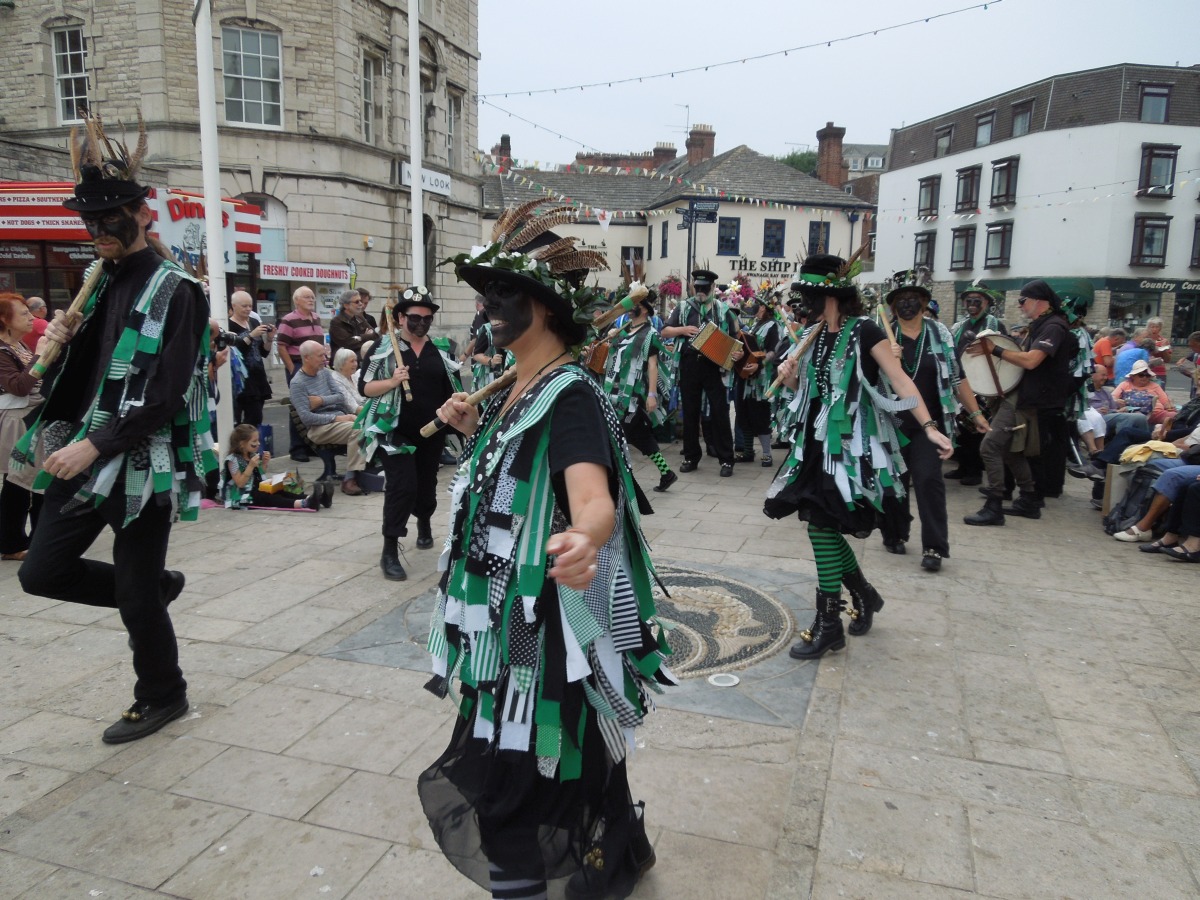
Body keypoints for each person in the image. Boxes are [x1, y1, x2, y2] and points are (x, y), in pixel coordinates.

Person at [421, 205, 671, 900]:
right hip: (508, 618)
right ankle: (622, 849)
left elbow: (592, 496)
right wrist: (474, 432)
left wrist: (584, 538)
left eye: (505, 294)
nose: (488, 307)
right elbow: (514, 487)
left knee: (522, 770)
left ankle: (525, 885)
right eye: (486, 294)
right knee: (571, 750)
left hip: (538, 628)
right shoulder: (517, 388)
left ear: (548, 308)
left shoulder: (570, 397)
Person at [13, 116, 213, 744]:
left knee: (134, 592)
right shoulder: (96, 282)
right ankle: (153, 590)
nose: (97, 231)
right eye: (89, 221)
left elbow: (167, 392)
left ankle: (162, 693)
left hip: (138, 461)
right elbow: (88, 374)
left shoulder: (178, 291)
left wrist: (96, 444)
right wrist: (58, 345)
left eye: (109, 220)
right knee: (41, 573)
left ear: (143, 215)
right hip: (77, 448)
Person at [765, 254, 953, 657]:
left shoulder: (866, 330)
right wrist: (790, 376)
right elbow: (806, 390)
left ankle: (829, 623)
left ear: (831, 295)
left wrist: (929, 426)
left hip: (849, 450)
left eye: (809, 295)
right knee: (824, 527)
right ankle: (863, 594)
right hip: (815, 444)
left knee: (821, 528)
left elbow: (901, 380)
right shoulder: (813, 334)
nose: (803, 304)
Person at [877, 271, 989, 571]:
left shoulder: (940, 334)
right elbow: (866, 379)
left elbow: (957, 378)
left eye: (913, 298)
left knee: (928, 481)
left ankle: (934, 547)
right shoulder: (883, 334)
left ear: (925, 302)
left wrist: (976, 413)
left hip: (931, 426)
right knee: (893, 484)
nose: (907, 304)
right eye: (901, 299)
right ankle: (894, 532)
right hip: (892, 423)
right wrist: (885, 361)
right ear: (892, 306)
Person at [359, 286, 459, 581]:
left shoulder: (441, 350)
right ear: (400, 318)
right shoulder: (383, 348)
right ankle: (390, 549)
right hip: (394, 431)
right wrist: (392, 381)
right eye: (415, 318)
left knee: (426, 486)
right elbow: (364, 388)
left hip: (432, 430)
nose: (421, 323)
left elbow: (452, 389)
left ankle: (424, 521)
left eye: (427, 318)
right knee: (402, 486)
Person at [964, 279, 1077, 526]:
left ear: (1039, 301)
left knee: (989, 447)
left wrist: (994, 349)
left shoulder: (1053, 327)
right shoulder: (1043, 325)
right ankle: (1029, 499)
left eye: (1023, 300)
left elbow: (1031, 361)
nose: (1020, 305)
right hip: (1025, 397)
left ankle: (994, 504)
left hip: (1030, 400)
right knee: (1008, 449)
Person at [661, 268, 743, 477]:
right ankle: (691, 457)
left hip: (714, 367)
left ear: (713, 288)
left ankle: (727, 460)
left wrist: (737, 354)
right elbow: (665, 331)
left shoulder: (723, 310)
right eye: (697, 287)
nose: (700, 291)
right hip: (689, 365)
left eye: (705, 288)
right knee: (690, 412)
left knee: (720, 412)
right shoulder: (683, 307)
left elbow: (737, 339)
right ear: (692, 286)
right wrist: (683, 330)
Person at [602, 287, 679, 492]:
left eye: (634, 305)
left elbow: (653, 365)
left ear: (644, 309)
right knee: (640, 436)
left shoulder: (650, 334)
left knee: (616, 434)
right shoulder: (625, 331)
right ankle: (667, 474)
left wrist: (652, 394)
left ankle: (613, 478)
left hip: (632, 396)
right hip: (616, 393)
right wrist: (612, 337)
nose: (629, 308)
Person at [945, 282, 1006, 486]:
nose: (971, 304)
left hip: (983, 383)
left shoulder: (994, 324)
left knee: (976, 427)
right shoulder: (960, 326)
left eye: (977, 300)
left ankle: (974, 471)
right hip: (962, 381)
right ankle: (963, 466)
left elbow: (1001, 351)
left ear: (986, 302)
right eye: (968, 300)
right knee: (961, 426)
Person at [0, 294, 47, 560]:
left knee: (27, 480)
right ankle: (14, 543)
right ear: (5, 320)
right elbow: (19, 386)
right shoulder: (2, 351)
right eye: (24, 314)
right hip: (16, 420)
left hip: (29, 417)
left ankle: (24, 541)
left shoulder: (17, 345)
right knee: (21, 481)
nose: (31, 318)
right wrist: (40, 355)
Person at [289, 340, 367, 494]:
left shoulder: (325, 372)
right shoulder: (298, 383)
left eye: (324, 355)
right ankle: (350, 479)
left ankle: (368, 470)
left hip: (338, 421)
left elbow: (340, 397)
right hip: (319, 428)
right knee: (358, 430)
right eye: (320, 356)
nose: (324, 359)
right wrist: (337, 418)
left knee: (370, 425)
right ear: (307, 358)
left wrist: (320, 400)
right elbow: (307, 417)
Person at [220, 423, 331, 510]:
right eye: (254, 441)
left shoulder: (251, 455)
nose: (258, 444)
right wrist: (250, 466)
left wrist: (264, 463)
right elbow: (240, 483)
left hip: (257, 488)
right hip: (242, 496)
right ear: (242, 444)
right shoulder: (232, 460)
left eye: (258, 440)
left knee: (281, 492)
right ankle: (305, 503)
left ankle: (320, 499)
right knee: (270, 498)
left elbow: (259, 475)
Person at [276, 286, 324, 460]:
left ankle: (310, 443)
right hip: (298, 366)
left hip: (317, 368)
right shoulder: (289, 320)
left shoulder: (316, 318)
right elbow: (281, 346)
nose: (311, 299)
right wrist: (291, 368)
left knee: (315, 405)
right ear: (296, 300)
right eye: (307, 297)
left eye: (312, 297)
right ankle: (297, 448)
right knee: (299, 406)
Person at [733, 297, 781, 467]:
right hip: (745, 376)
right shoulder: (755, 324)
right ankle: (748, 452)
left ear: (766, 308)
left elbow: (774, 351)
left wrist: (759, 364)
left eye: (760, 305)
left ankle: (767, 454)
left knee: (760, 416)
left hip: (761, 380)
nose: (757, 308)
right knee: (743, 414)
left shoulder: (773, 326)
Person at [226, 289, 274, 426]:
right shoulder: (228, 325)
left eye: (250, 306)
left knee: (256, 418)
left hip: (257, 376)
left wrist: (269, 339)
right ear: (234, 306)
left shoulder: (254, 322)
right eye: (244, 306)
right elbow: (235, 350)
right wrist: (251, 335)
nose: (248, 309)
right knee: (235, 419)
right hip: (240, 377)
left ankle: (250, 439)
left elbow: (263, 352)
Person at [1112, 359, 1175, 426]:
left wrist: (1170, 406)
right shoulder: (1125, 385)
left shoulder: (1155, 386)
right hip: (1133, 413)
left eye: (1147, 375)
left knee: (1176, 417)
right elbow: (1112, 398)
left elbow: (1166, 403)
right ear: (1133, 376)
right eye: (1141, 375)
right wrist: (1117, 401)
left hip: (1157, 413)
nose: (1144, 377)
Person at [328, 288, 380, 360]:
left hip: (360, 360)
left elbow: (376, 336)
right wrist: (366, 336)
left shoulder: (359, 318)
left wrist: (360, 337)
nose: (361, 304)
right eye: (357, 302)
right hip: (344, 362)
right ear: (346, 305)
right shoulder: (336, 322)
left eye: (360, 301)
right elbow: (348, 344)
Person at [330, 347, 366, 414]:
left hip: (365, 408)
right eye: (352, 361)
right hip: (354, 415)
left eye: (356, 360)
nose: (355, 364)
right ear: (341, 364)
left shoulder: (353, 375)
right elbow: (354, 408)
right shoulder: (336, 381)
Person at [1145, 317, 1172, 383]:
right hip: (1145, 371)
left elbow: (1167, 360)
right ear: (1148, 328)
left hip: (1160, 372)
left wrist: (1164, 349)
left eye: (1157, 327)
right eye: (1152, 327)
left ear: (1160, 328)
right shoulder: (1144, 340)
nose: (1155, 329)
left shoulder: (1164, 341)